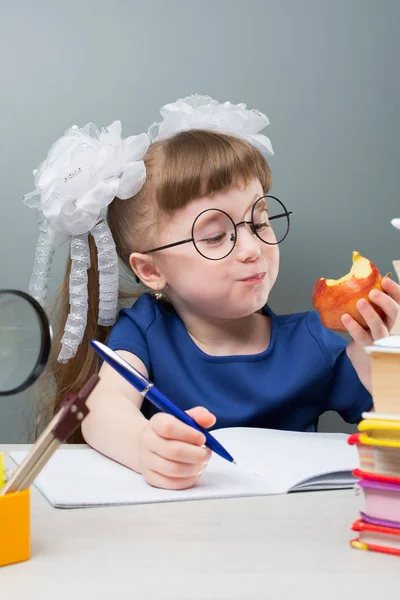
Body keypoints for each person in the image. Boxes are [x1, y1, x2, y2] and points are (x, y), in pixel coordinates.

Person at [25, 95, 400, 491]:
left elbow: (388, 432)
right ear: (150, 270)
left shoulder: (312, 341)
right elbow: (103, 407)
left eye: (260, 222)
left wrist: (382, 365)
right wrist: (144, 447)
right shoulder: (146, 332)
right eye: (216, 236)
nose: (253, 248)